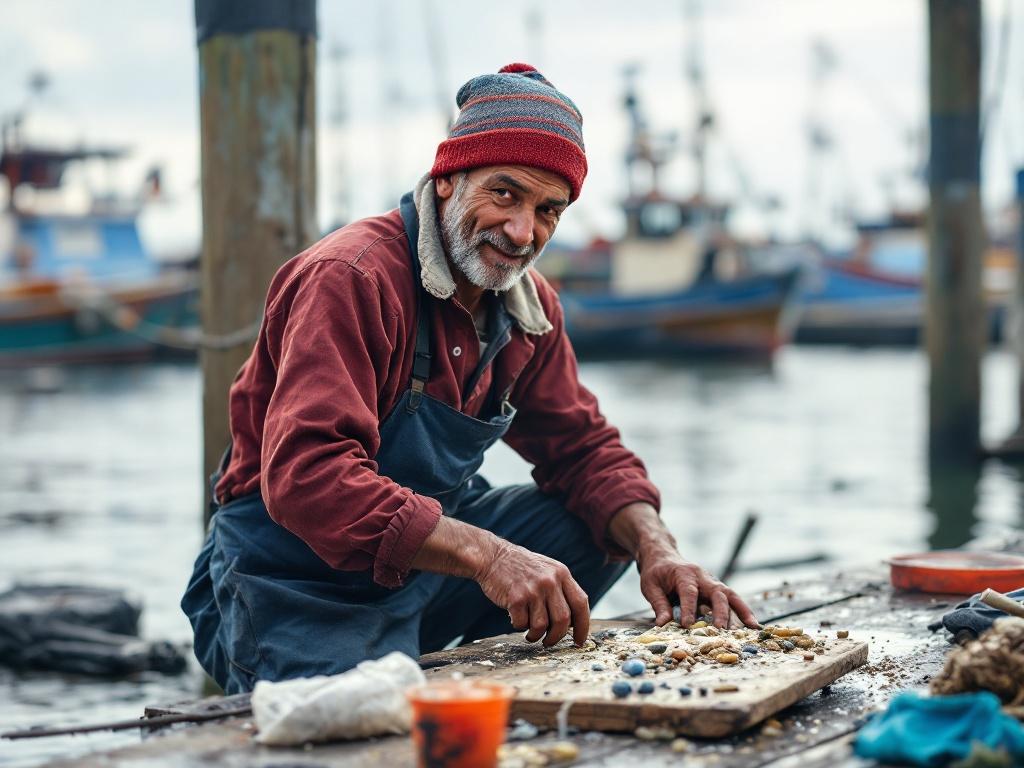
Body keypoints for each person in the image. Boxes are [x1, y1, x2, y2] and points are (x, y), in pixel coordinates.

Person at [182, 63, 758, 695]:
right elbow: (308, 478)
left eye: (548, 211)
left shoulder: (529, 306)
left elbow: (585, 449)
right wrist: (490, 557)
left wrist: (660, 547)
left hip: (418, 570)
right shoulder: (351, 276)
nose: (522, 232)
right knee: (353, 725)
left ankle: (447, 655)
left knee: (594, 527)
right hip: (292, 576)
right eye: (505, 194)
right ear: (449, 179)